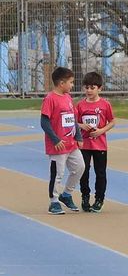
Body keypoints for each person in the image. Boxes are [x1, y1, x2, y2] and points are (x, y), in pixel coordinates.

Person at [40, 66, 83, 215]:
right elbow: (44, 122)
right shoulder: (50, 99)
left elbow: (73, 119)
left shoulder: (68, 97)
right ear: (61, 83)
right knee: (58, 173)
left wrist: (78, 136)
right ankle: (54, 202)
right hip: (58, 146)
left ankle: (67, 194)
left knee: (80, 167)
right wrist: (55, 139)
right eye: (71, 82)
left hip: (71, 144)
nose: (72, 85)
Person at [74, 71, 114, 212]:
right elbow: (74, 122)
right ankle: (85, 196)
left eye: (92, 87)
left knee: (100, 172)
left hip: (100, 145)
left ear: (99, 88)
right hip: (84, 144)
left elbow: (112, 121)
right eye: (87, 87)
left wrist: (102, 130)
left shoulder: (105, 105)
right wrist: (82, 126)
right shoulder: (80, 105)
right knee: (83, 171)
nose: (89, 90)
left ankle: (99, 199)